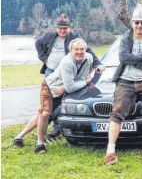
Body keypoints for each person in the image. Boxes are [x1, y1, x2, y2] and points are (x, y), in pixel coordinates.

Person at [13, 14, 104, 148]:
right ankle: (37, 142)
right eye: (60, 28)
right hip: (53, 80)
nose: (62, 30)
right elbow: (77, 83)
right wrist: (45, 59)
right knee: (44, 112)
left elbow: (87, 59)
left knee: (52, 111)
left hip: (68, 79)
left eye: (65, 28)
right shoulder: (55, 43)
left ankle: (50, 131)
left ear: (69, 28)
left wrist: (98, 65)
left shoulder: (79, 46)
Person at [104, 4, 142, 165]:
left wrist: (138, 59)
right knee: (117, 113)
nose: (139, 25)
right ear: (132, 23)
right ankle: (110, 152)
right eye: (136, 22)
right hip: (126, 81)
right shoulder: (125, 39)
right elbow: (124, 58)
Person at [35, 38, 94, 153]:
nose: (79, 52)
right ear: (70, 50)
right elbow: (72, 86)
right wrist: (85, 82)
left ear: (86, 50)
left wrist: (70, 86)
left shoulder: (89, 58)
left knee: (44, 113)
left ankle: (19, 136)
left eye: (82, 49)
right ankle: (40, 144)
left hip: (64, 89)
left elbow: (81, 77)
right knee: (45, 113)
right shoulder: (67, 62)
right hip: (50, 87)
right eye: (76, 49)